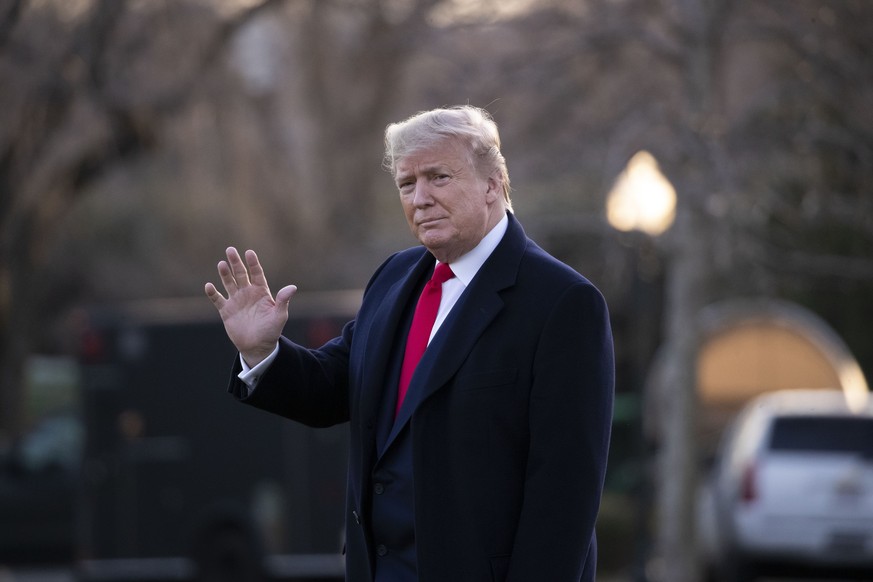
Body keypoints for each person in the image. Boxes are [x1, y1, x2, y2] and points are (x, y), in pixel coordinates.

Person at [205, 105, 614, 582]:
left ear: (493, 183)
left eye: (439, 177)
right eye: (407, 183)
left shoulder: (563, 303)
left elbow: (564, 495)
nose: (420, 198)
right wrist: (261, 352)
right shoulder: (394, 278)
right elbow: (336, 386)